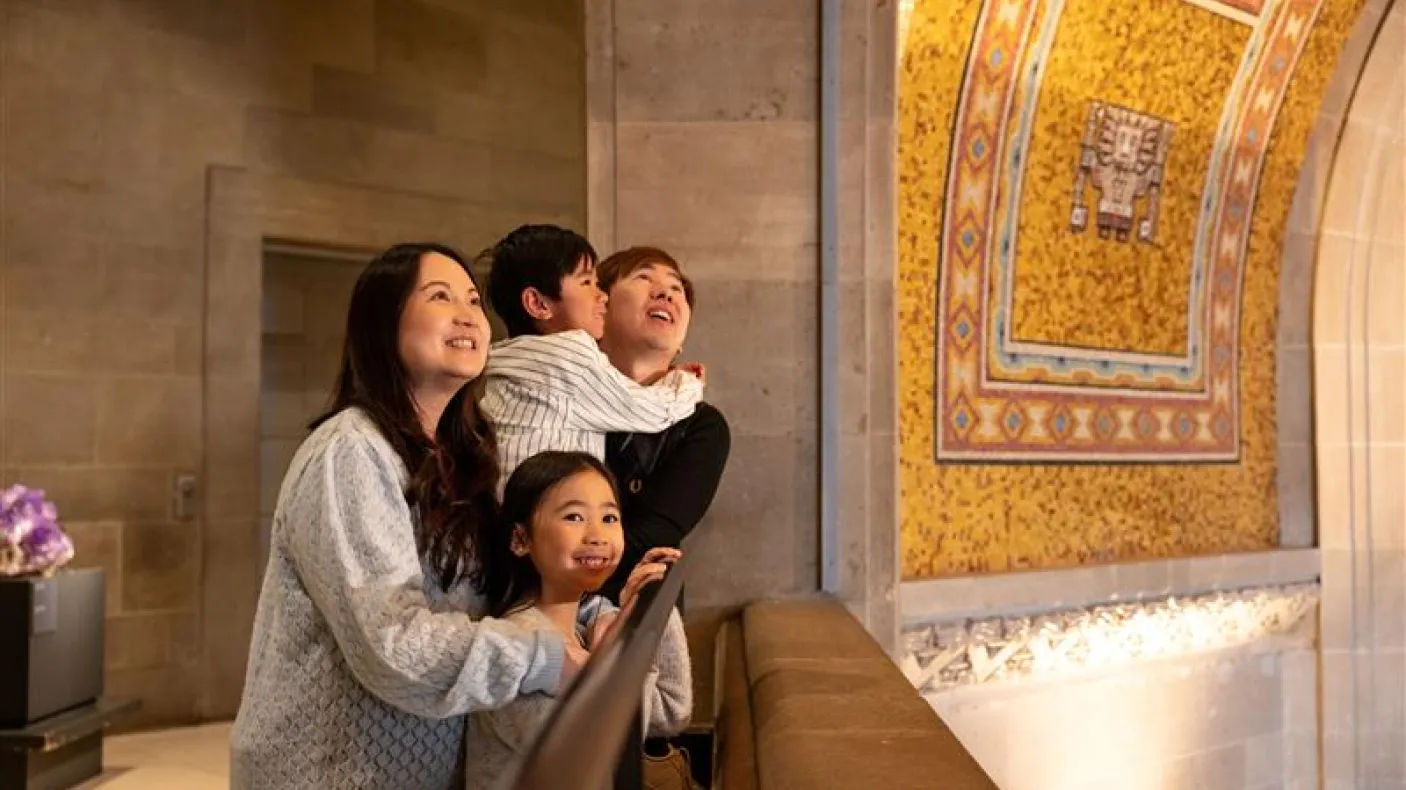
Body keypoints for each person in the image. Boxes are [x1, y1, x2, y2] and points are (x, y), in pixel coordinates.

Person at [230, 243, 592, 790]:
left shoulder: (457, 458)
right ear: (383, 323)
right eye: (440, 296)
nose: (469, 314)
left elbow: (500, 588)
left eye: (473, 299)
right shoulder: (350, 451)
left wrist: (591, 617)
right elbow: (391, 644)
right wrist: (544, 657)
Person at [464, 451, 692, 784]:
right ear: (520, 539)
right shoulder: (517, 646)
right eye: (574, 517)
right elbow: (596, 749)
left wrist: (644, 610)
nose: (597, 535)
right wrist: (616, 648)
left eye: (610, 518)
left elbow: (670, 711)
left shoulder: (585, 624)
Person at [479, 224, 705, 485]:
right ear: (538, 304)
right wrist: (689, 384)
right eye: (587, 282)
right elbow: (650, 410)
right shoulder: (568, 355)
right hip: (541, 510)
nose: (602, 296)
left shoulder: (514, 358)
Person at [593, 247, 731, 606]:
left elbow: (654, 535)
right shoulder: (560, 397)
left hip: (633, 619)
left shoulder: (699, 426)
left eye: (676, 289)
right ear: (598, 309)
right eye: (643, 277)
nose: (666, 293)